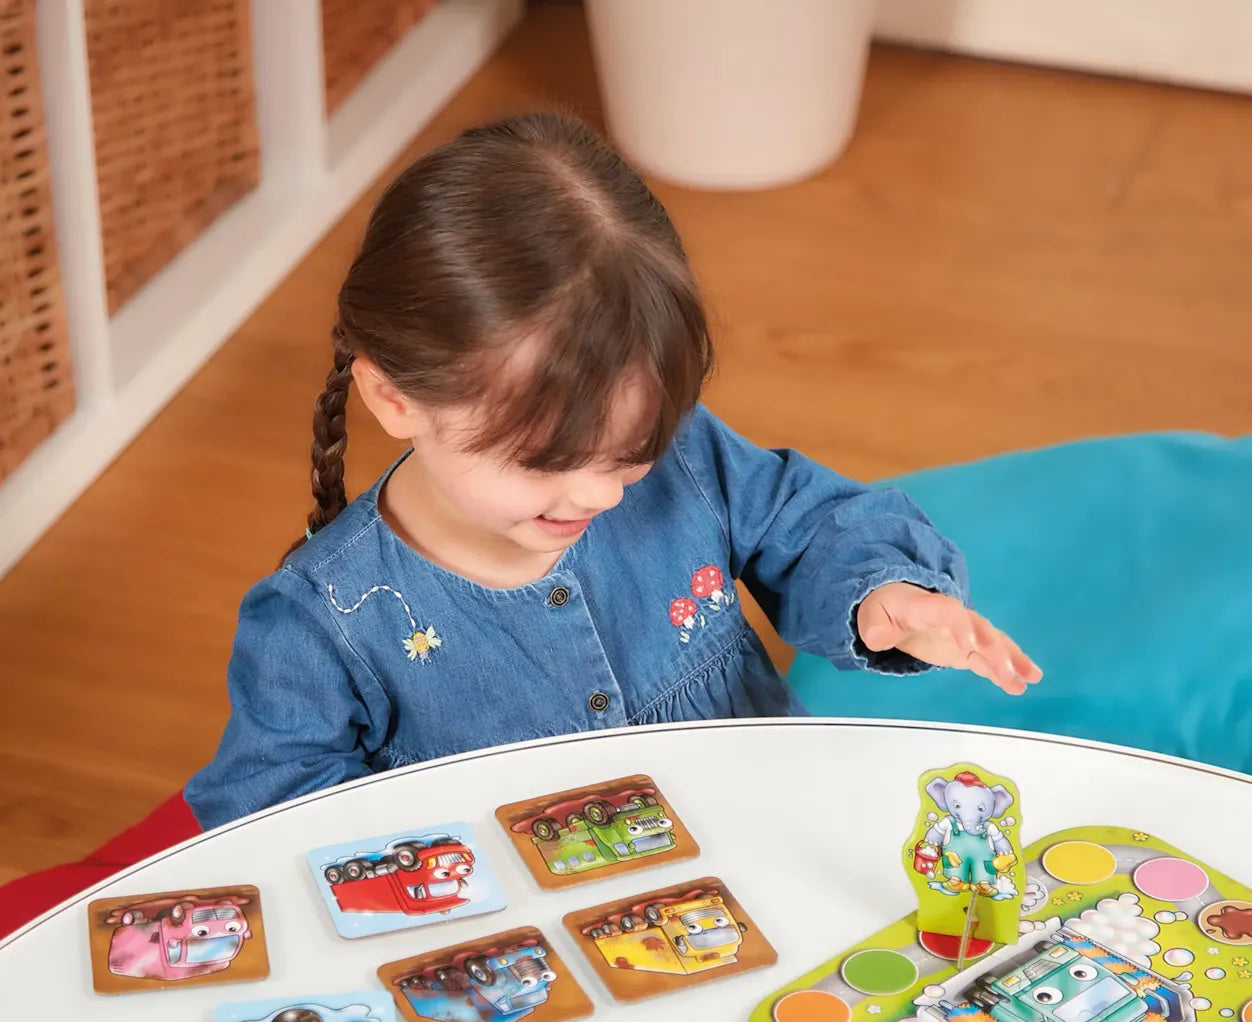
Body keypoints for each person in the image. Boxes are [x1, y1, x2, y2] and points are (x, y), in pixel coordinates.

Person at [185, 113, 1040, 831]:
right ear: (395, 398)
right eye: (544, 460)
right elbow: (271, 818)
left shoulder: (692, 461)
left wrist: (880, 596)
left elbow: (810, 523)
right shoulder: (322, 621)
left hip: (763, 838)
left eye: (634, 448)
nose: (601, 493)